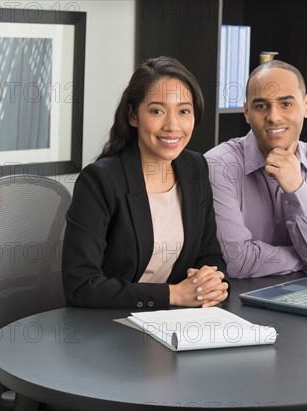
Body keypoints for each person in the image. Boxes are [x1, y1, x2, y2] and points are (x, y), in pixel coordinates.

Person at [62, 56, 229, 309]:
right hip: (107, 326)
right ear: (133, 116)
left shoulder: (194, 167)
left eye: (184, 111)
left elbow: (210, 252)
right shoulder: (100, 181)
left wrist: (213, 281)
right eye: (157, 111)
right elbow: (81, 285)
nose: (172, 126)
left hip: (175, 321)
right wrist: (173, 295)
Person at [205, 60, 307, 278]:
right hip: (237, 303)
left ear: (306, 106)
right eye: (261, 106)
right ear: (246, 112)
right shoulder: (219, 165)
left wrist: (296, 189)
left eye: (286, 104)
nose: (273, 117)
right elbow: (235, 261)